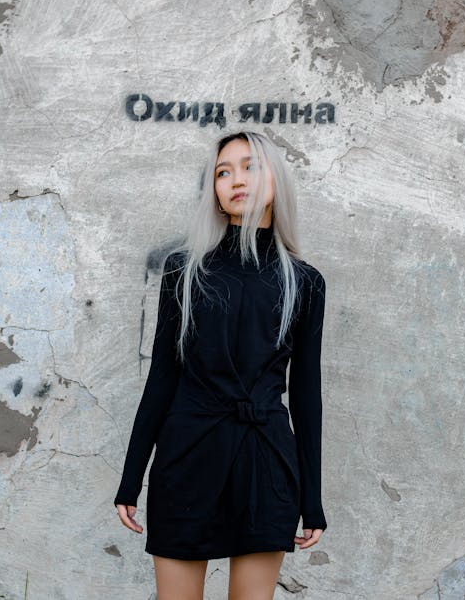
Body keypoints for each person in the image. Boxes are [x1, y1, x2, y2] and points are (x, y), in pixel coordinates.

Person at [114, 130, 328, 600]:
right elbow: (162, 379)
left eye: (250, 166)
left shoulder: (304, 282)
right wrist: (131, 479)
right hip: (186, 458)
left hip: (266, 463)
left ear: (277, 177)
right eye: (222, 172)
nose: (235, 179)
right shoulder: (183, 270)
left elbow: (307, 395)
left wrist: (311, 501)